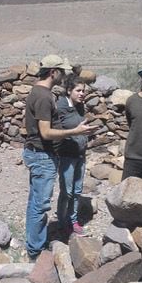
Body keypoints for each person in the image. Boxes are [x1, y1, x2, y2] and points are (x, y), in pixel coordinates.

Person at [23, 54, 97, 260]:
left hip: (39, 154)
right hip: (42, 156)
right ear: (53, 72)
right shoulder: (45, 97)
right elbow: (45, 133)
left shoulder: (37, 92)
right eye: (61, 72)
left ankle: (32, 243)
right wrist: (75, 132)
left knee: (34, 202)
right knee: (40, 205)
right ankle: (36, 251)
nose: (63, 76)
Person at [56, 75, 88, 237]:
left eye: (83, 91)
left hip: (80, 155)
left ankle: (73, 219)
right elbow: (56, 130)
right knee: (67, 191)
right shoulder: (60, 107)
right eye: (78, 90)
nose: (82, 93)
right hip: (67, 155)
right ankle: (62, 221)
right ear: (69, 91)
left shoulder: (80, 106)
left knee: (77, 190)